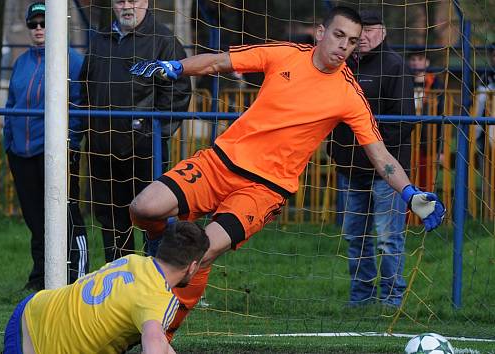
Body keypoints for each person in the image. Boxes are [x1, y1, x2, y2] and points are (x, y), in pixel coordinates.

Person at [128, 6, 445, 339]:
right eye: (339, 36)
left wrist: (409, 193)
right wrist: (175, 66)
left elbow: (380, 155)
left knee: (202, 251)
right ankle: (158, 237)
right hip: (219, 162)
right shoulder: (284, 54)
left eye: (352, 41)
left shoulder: (350, 94)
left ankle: (162, 336)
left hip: (264, 189)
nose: (344, 46)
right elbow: (219, 61)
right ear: (321, 33)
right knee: (143, 208)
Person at [79, 0, 192, 262]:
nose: (127, 6)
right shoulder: (99, 40)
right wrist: (89, 129)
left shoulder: (164, 39)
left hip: (144, 150)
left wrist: (155, 133)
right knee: (110, 219)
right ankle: (118, 279)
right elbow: (84, 88)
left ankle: (154, 280)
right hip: (102, 148)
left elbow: (179, 91)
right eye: (121, 1)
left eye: (134, 0)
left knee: (152, 218)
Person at [3, 221, 209, 354]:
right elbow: (154, 342)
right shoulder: (160, 298)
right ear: (192, 266)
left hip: (32, 309)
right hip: (38, 347)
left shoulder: (133, 261)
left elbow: (161, 343)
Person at [326, 10, 415, 307]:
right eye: (358, 31)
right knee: (355, 238)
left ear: (384, 32)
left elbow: (403, 122)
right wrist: (335, 148)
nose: (363, 37)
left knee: (388, 239)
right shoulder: (342, 65)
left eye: (370, 30)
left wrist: (372, 148)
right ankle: (360, 299)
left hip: (386, 171)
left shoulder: (395, 66)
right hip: (350, 168)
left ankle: (392, 299)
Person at [4, 2, 88, 290]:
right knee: (34, 218)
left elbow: (78, 105)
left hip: (55, 152)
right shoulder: (21, 62)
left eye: (44, 23)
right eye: (33, 24)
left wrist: (70, 144)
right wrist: (9, 141)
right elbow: (11, 104)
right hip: (21, 153)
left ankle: (77, 274)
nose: (39, 28)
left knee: (66, 212)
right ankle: (41, 275)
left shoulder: (73, 61)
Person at [408, 51, 445, 190]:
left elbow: (441, 116)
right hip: (407, 141)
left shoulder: (436, 83)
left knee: (425, 183)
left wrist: (439, 150)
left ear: (427, 62)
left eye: (420, 59)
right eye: (413, 59)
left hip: (427, 143)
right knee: (405, 182)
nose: (416, 62)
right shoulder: (403, 81)